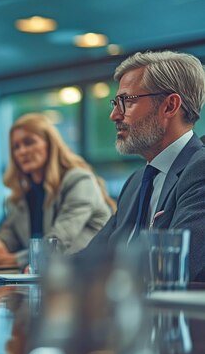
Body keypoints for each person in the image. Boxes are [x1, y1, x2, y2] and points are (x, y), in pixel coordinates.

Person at [78, 50, 205, 282]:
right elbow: (92, 257)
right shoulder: (136, 181)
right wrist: (42, 270)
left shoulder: (200, 170)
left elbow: (177, 268)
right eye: (116, 103)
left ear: (169, 106)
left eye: (126, 101)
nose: (114, 115)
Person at [0, 113, 114, 268]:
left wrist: (13, 260)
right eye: (16, 147)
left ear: (50, 144)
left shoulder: (79, 181)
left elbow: (59, 242)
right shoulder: (19, 199)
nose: (21, 151)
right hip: (51, 281)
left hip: (91, 277)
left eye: (29, 142)